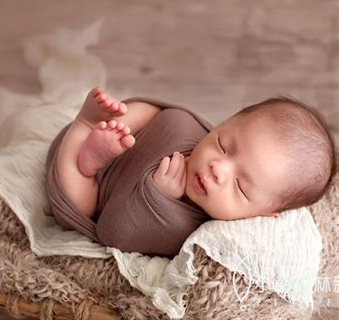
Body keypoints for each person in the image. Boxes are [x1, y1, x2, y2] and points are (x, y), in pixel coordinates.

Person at [45, 87, 337, 257]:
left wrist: (158, 198)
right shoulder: (193, 135)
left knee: (80, 205)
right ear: (225, 121)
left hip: (95, 187)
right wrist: (136, 121)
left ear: (265, 212)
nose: (218, 168)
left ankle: (84, 128)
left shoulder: (186, 229)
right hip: (129, 138)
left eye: (241, 187)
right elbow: (169, 116)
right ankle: (105, 127)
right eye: (223, 143)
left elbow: (111, 232)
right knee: (154, 112)